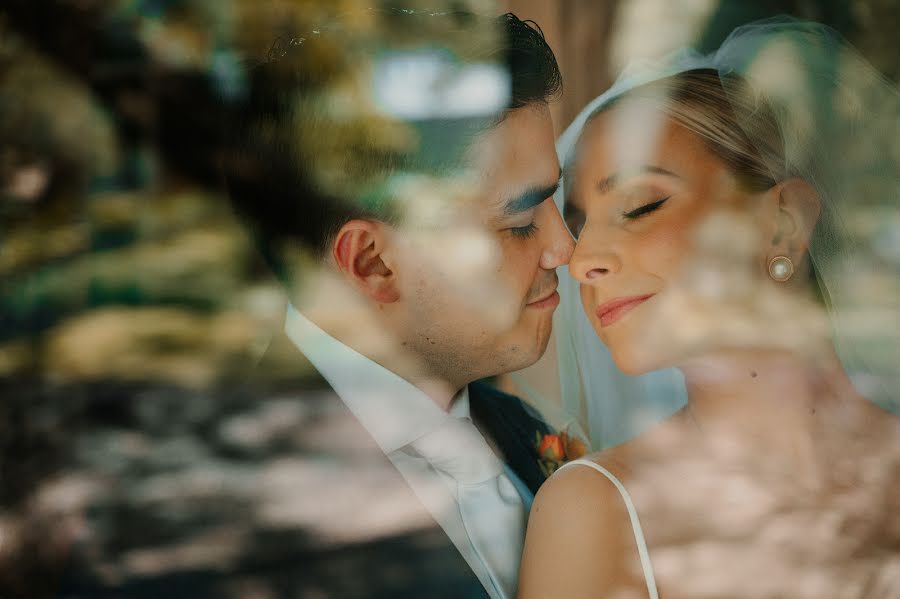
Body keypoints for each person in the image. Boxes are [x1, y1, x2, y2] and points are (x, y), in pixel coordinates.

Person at [519, 18, 900, 598]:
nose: (582, 260)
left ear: (783, 222)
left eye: (640, 205)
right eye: (579, 226)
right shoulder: (595, 514)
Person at [221, 9, 573, 599]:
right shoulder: (239, 527)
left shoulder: (526, 428)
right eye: (519, 223)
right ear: (372, 263)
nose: (563, 247)